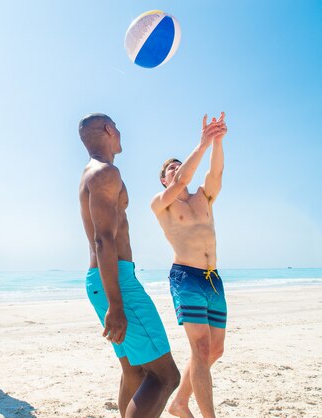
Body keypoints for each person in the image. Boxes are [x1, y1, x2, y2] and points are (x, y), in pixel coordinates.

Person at [78, 113, 180, 418]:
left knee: (134, 371)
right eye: (117, 128)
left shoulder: (90, 173)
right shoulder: (106, 173)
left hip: (102, 279)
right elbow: (103, 240)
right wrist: (117, 304)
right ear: (109, 130)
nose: (120, 133)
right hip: (116, 281)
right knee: (165, 376)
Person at [151, 112, 228, 418]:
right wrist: (203, 143)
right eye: (172, 168)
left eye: (180, 165)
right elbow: (184, 177)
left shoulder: (203, 198)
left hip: (213, 279)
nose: (178, 170)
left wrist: (218, 142)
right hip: (185, 277)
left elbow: (216, 174)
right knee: (199, 348)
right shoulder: (162, 202)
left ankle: (180, 402)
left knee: (214, 350)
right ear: (163, 178)